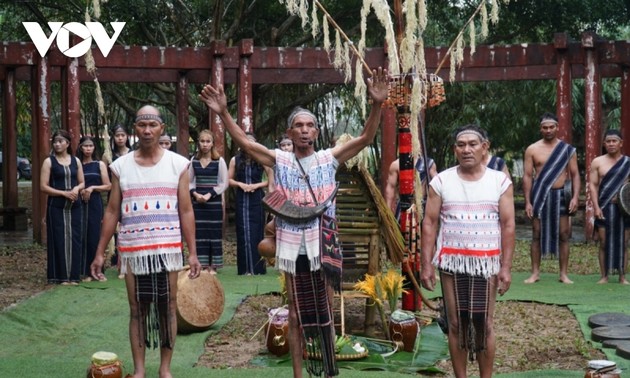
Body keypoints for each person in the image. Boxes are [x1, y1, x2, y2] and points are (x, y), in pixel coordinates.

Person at [199, 66, 388, 378]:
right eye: (298, 126)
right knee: (297, 314)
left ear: (316, 132)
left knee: (325, 311)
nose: (303, 130)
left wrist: (378, 103)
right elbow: (247, 146)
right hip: (290, 245)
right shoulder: (281, 159)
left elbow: (367, 137)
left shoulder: (330, 158)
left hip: (322, 245)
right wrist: (222, 113)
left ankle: (328, 371)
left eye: (309, 126)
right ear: (289, 133)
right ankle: (299, 374)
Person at [90, 105, 201, 378]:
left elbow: (186, 210)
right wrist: (100, 253)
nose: (147, 130)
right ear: (134, 130)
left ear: (162, 128)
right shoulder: (120, 167)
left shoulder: (178, 164)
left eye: (153, 125)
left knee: (168, 308)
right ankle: (140, 370)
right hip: (133, 249)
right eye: (142, 125)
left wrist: (193, 253)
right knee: (137, 309)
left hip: (167, 248)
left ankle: (165, 369)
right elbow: (112, 211)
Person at [420, 124, 515, 378]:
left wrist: (505, 267)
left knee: (484, 324)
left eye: (473, 144)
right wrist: (426, 264)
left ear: (485, 148)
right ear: (454, 150)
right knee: (455, 324)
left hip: (486, 263)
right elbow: (429, 222)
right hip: (452, 261)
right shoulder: (441, 181)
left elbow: (508, 225)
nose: (466, 149)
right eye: (461, 145)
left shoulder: (500, 181)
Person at [523, 112, 580, 284]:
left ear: (557, 127)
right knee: (536, 233)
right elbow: (527, 176)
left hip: (561, 195)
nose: (548, 130)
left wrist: (575, 197)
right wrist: (527, 201)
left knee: (564, 234)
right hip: (540, 195)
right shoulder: (532, 149)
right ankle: (535, 273)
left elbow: (575, 175)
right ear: (540, 129)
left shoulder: (567, 150)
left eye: (551, 127)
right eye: (544, 127)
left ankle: (563, 274)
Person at [40, 130, 85, 285]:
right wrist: (63, 193)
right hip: (56, 207)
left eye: (60, 141)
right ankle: (59, 277)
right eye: (55, 141)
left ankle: (73, 276)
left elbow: (82, 182)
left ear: (67, 143)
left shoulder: (76, 161)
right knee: (58, 239)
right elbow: (43, 187)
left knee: (75, 239)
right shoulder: (49, 162)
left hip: (75, 206)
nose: (57, 144)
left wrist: (76, 189)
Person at [588, 129, 630, 284]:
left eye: (614, 141)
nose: (611, 144)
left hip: (624, 210)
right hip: (604, 207)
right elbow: (593, 186)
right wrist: (596, 207)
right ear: (604, 144)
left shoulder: (627, 163)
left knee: (624, 243)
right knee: (604, 242)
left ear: (621, 143)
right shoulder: (597, 162)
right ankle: (604, 276)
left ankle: (622, 276)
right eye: (608, 141)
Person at [189, 129, 228, 273]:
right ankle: (202, 264)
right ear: (198, 143)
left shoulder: (219, 161)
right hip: (198, 204)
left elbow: (224, 183)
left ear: (212, 144)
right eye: (202, 141)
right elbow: (189, 182)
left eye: (208, 141)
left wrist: (209, 195)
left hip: (213, 203)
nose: (205, 144)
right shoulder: (194, 160)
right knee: (200, 232)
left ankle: (213, 266)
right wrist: (195, 194)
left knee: (214, 232)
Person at [228, 134, 268, 275]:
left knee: (257, 231)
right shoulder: (235, 160)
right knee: (243, 231)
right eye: (247, 142)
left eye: (252, 142)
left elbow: (271, 180)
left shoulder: (261, 159)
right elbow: (228, 180)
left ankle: (258, 268)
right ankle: (244, 269)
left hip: (257, 197)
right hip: (241, 196)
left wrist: (256, 185)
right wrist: (240, 184)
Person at [76, 136, 111, 282]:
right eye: (85, 146)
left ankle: (97, 270)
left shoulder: (99, 164)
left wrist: (92, 188)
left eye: (90, 146)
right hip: (79, 202)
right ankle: (83, 271)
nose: (88, 149)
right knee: (81, 235)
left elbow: (108, 185)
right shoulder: (76, 163)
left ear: (94, 147)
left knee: (94, 236)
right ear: (80, 148)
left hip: (94, 202)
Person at [109, 124, 132, 277]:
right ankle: (120, 264)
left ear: (127, 137)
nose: (120, 138)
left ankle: (131, 264)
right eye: (117, 135)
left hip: (130, 194)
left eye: (123, 135)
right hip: (116, 194)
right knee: (119, 231)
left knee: (131, 229)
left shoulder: (134, 154)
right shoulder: (109, 155)